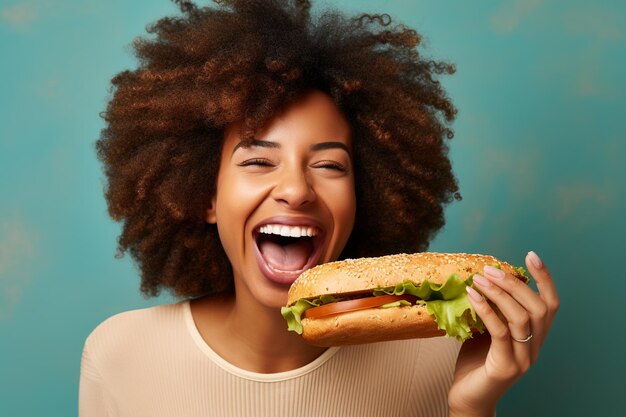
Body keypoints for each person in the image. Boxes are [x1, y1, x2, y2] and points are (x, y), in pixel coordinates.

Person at [80, 1, 559, 416]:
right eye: (259, 160)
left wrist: (471, 408)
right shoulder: (120, 354)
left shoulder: (443, 358)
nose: (296, 190)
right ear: (203, 195)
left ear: (364, 198)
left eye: (329, 165)